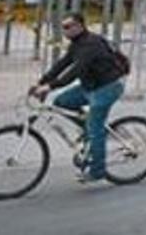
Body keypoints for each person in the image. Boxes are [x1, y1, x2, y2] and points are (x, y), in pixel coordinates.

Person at [31, 12, 127, 183]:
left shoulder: (91, 44)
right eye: (63, 28)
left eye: (68, 27)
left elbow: (75, 71)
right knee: (61, 102)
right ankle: (87, 130)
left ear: (80, 26)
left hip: (108, 87)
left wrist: (50, 86)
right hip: (90, 86)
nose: (65, 31)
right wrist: (41, 82)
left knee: (96, 128)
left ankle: (98, 171)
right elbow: (62, 64)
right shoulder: (76, 44)